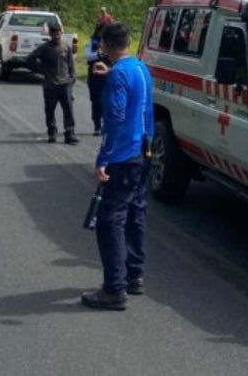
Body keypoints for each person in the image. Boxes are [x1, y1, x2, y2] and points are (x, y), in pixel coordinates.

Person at [81, 21, 154, 311]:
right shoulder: (139, 68)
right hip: (143, 151)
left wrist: (103, 158)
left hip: (123, 156)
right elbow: (144, 107)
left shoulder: (117, 77)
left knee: (110, 221)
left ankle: (114, 288)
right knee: (135, 212)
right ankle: (134, 275)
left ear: (106, 46)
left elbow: (114, 118)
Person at [27, 21, 79, 144]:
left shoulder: (66, 47)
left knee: (68, 110)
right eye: (54, 34)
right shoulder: (45, 48)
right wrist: (41, 70)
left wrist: (72, 77)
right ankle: (52, 132)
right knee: (50, 110)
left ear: (61, 33)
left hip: (65, 84)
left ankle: (70, 134)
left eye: (59, 33)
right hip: (50, 85)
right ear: (50, 34)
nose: (57, 36)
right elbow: (31, 58)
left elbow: (70, 64)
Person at [84, 28, 109, 136]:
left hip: (109, 74)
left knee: (109, 100)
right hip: (95, 76)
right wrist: (98, 55)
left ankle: (107, 124)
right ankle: (97, 125)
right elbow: (88, 56)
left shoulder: (111, 42)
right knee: (96, 100)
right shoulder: (90, 42)